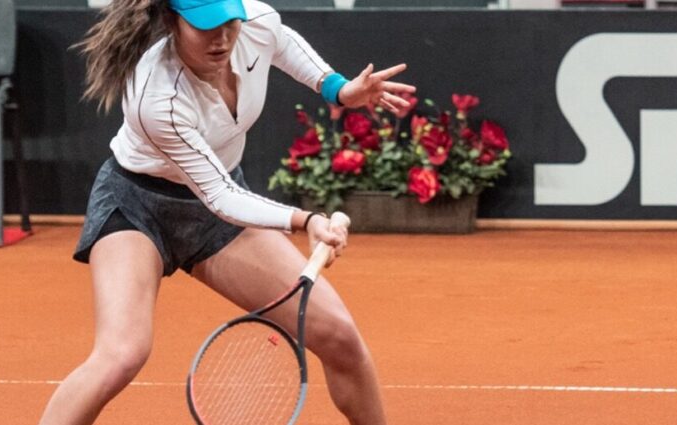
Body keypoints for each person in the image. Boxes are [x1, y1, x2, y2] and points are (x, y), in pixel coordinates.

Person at [37, 0, 415, 424]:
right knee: (121, 355)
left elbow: (280, 41)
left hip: (216, 216)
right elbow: (219, 194)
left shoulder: (255, 23)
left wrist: (338, 89)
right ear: (171, 21)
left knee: (339, 335)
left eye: (229, 24)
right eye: (205, 27)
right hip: (137, 207)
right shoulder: (155, 96)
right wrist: (305, 219)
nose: (222, 39)